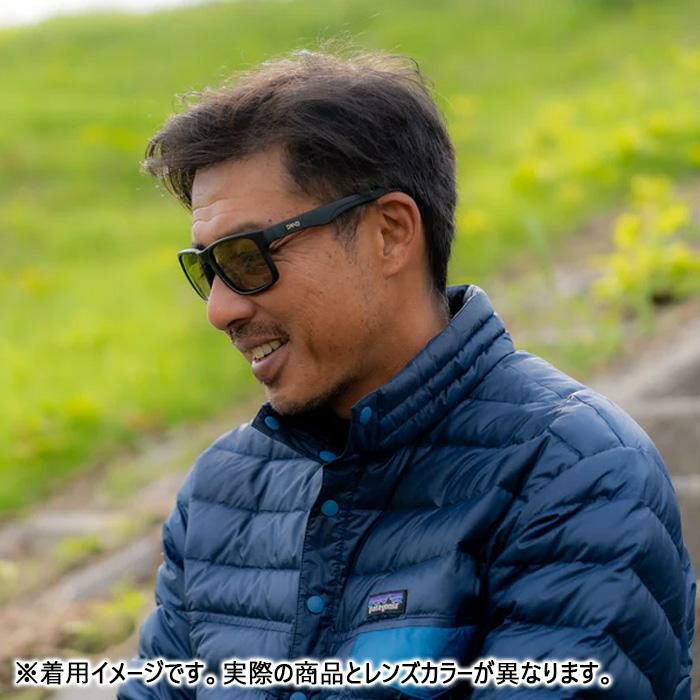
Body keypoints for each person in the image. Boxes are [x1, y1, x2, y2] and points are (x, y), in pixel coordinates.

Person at [118, 51, 695, 699]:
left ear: (390, 232)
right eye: (207, 269)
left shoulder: (572, 473)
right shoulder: (221, 494)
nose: (221, 310)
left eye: (247, 258)